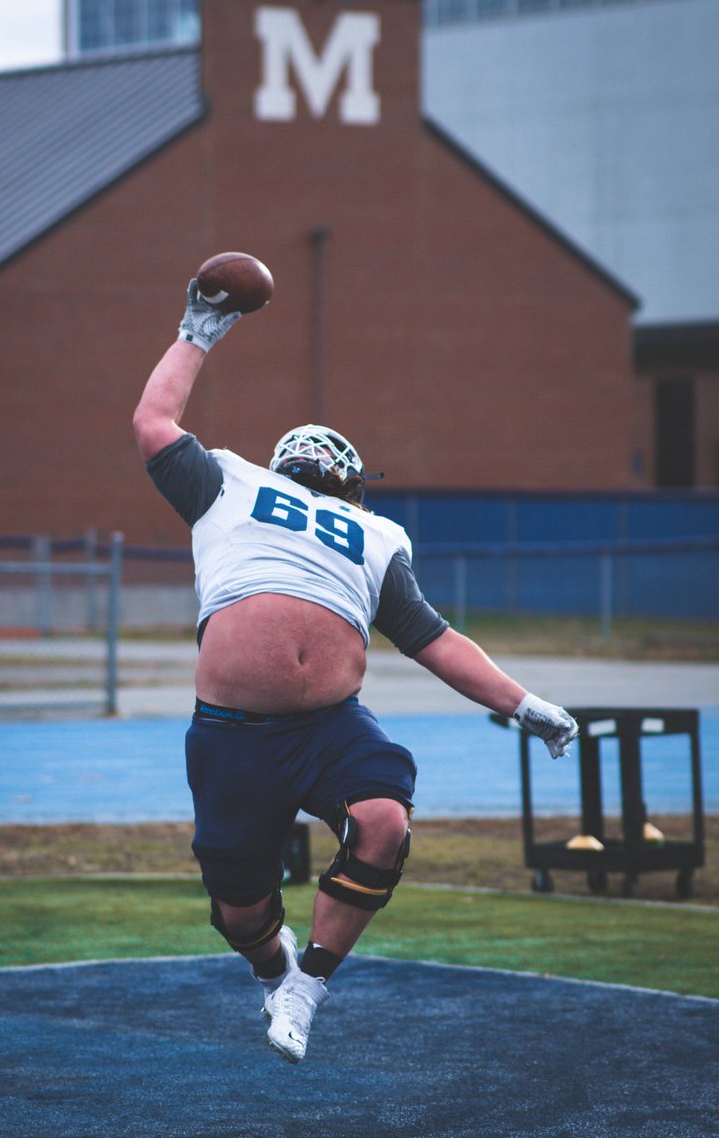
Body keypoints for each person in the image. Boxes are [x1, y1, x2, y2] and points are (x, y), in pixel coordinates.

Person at [132, 277, 578, 1065]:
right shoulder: (232, 481)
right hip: (234, 733)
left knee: (384, 820)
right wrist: (196, 331)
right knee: (241, 914)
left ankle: (308, 985)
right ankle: (275, 970)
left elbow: (432, 638)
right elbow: (153, 422)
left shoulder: (374, 535)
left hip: (328, 723)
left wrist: (523, 702)